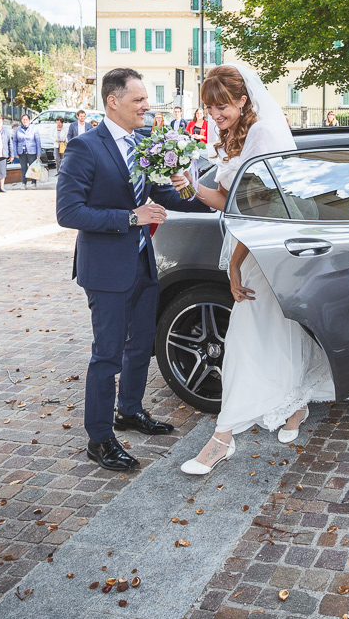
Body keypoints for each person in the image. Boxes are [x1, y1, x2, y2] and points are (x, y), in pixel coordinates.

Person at [174, 64, 336, 475]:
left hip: (263, 249)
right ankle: (296, 404)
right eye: (210, 108)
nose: (215, 115)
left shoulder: (262, 133)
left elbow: (264, 209)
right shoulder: (230, 136)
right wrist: (190, 184)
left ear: (243, 100)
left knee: (247, 337)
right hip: (247, 244)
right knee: (276, 332)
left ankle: (222, 439)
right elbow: (226, 200)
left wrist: (234, 264)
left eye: (222, 106)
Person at [56, 68, 212, 471]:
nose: (147, 106)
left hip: (143, 262)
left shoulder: (143, 143)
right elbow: (69, 212)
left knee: (141, 344)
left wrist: (201, 194)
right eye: (138, 99)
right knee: (107, 355)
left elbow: (160, 195)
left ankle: (129, 410)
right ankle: (99, 439)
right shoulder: (84, 148)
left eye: (146, 99)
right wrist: (130, 218)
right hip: (106, 269)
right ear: (113, 101)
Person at [13, 113, 43, 189]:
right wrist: (15, 152)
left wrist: (38, 153)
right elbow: (14, 141)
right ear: (21, 120)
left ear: (29, 120)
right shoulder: (18, 129)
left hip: (32, 151)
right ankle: (24, 183)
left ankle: (33, 183)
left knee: (33, 168)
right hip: (21, 152)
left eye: (26, 119)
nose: (25, 121)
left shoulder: (34, 129)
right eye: (23, 119)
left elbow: (38, 141)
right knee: (23, 168)